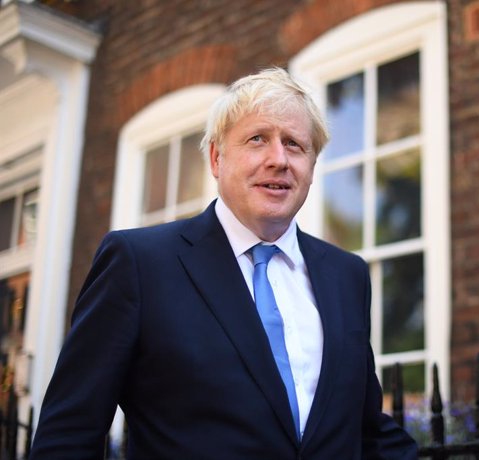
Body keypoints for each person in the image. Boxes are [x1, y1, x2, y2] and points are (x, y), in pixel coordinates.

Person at [29, 67, 417, 459]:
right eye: (257, 139)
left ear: (312, 167)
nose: (278, 159)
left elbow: (367, 431)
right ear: (217, 158)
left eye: (295, 145)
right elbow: (69, 434)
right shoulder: (139, 264)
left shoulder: (346, 276)